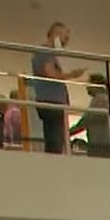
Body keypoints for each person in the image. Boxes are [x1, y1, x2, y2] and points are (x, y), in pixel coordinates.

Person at [30, 22, 83, 155]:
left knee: (55, 138)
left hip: (53, 102)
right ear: (56, 35)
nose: (66, 42)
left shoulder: (49, 55)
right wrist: (71, 75)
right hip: (50, 101)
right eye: (65, 38)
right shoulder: (44, 52)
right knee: (54, 139)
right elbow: (51, 73)